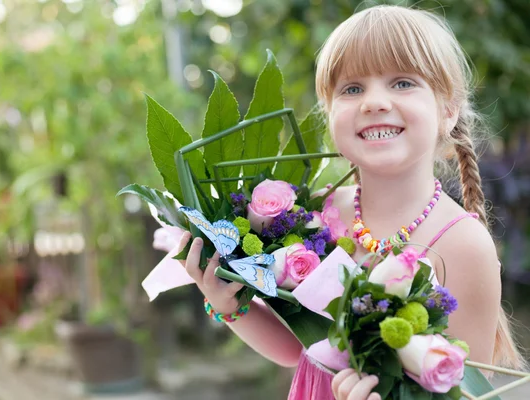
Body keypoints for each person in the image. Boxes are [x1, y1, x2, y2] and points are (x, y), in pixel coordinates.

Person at [177, 5, 525, 400]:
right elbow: (300, 348)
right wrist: (227, 305)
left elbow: (465, 392)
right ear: (329, 114)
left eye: (402, 83)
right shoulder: (317, 213)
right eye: (352, 89)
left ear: (448, 110)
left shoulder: (463, 245)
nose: (373, 102)